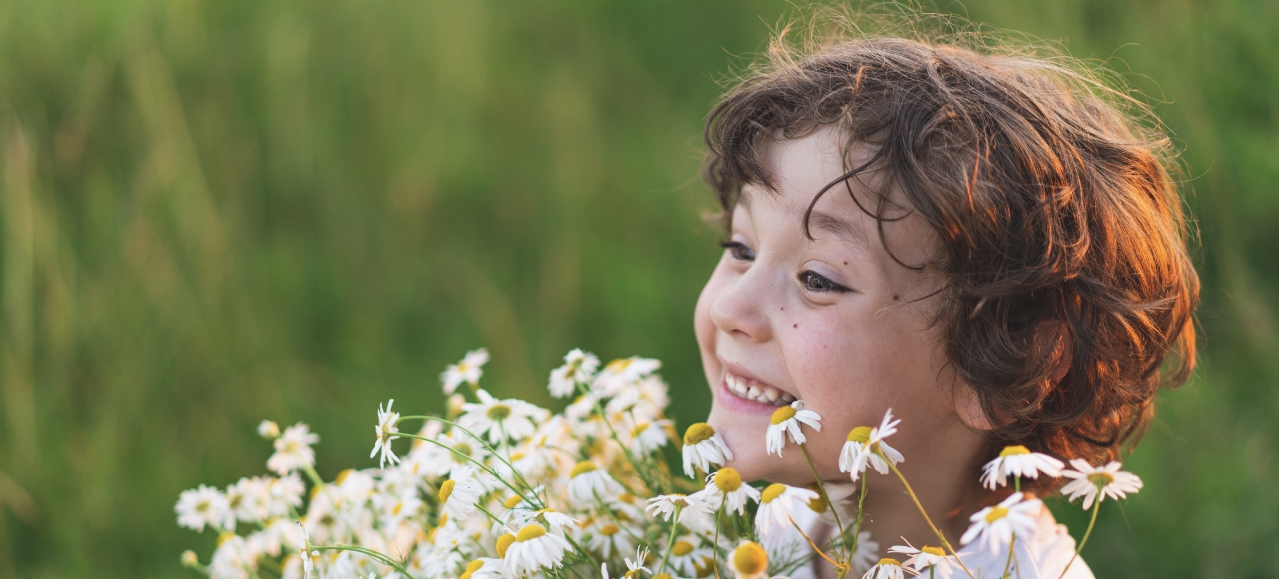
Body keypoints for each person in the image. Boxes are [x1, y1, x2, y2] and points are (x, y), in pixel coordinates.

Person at [692, 10, 1198, 579]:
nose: (727, 309)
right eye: (741, 249)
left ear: (1013, 365)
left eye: (819, 280)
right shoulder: (774, 535)